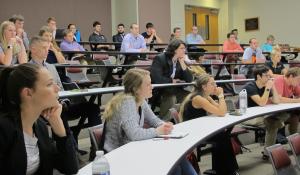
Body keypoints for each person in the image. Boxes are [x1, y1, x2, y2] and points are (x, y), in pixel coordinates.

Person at [102, 68, 197, 175]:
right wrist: (157, 131)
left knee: (177, 161)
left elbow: (154, 120)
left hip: (132, 149)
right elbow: (134, 134)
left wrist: (164, 125)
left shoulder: (140, 99)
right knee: (173, 164)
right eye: (148, 84)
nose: (152, 86)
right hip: (118, 156)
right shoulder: (127, 102)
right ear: (136, 89)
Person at [28, 36, 101, 158]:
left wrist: (63, 100)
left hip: (61, 104)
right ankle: (73, 154)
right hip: (44, 110)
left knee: (92, 107)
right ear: (33, 49)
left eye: (48, 48)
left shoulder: (51, 67)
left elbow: (60, 88)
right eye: (44, 48)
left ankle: (96, 147)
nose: (47, 51)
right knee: (59, 112)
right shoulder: (28, 69)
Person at [0, 63, 78, 174]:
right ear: (28, 93)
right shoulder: (4, 128)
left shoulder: (40, 126)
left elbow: (70, 168)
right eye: (49, 84)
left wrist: (60, 129)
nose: (57, 88)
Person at [180, 74, 239, 175]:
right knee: (222, 137)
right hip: (193, 132)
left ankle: (225, 170)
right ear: (204, 87)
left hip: (201, 128)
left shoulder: (206, 97)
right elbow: (222, 112)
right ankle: (226, 170)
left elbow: (222, 109)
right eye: (212, 84)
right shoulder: (198, 98)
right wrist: (220, 95)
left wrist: (219, 99)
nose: (215, 86)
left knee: (223, 136)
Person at [242, 65, 289, 159]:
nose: (269, 78)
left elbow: (276, 101)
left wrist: (273, 87)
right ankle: (268, 152)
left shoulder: (265, 86)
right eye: (266, 75)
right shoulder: (250, 86)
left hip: (260, 115)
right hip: (246, 117)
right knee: (274, 123)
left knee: (282, 117)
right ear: (259, 76)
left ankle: (268, 153)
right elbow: (262, 103)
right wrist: (268, 88)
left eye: (269, 76)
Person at [150, 39, 193, 119]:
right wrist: (171, 81)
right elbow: (156, 79)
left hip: (173, 89)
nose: (184, 50)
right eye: (182, 48)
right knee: (171, 97)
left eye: (185, 48)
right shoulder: (160, 58)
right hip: (160, 90)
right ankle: (163, 121)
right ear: (174, 49)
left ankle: (182, 119)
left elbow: (189, 79)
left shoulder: (180, 60)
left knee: (190, 96)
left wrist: (183, 64)